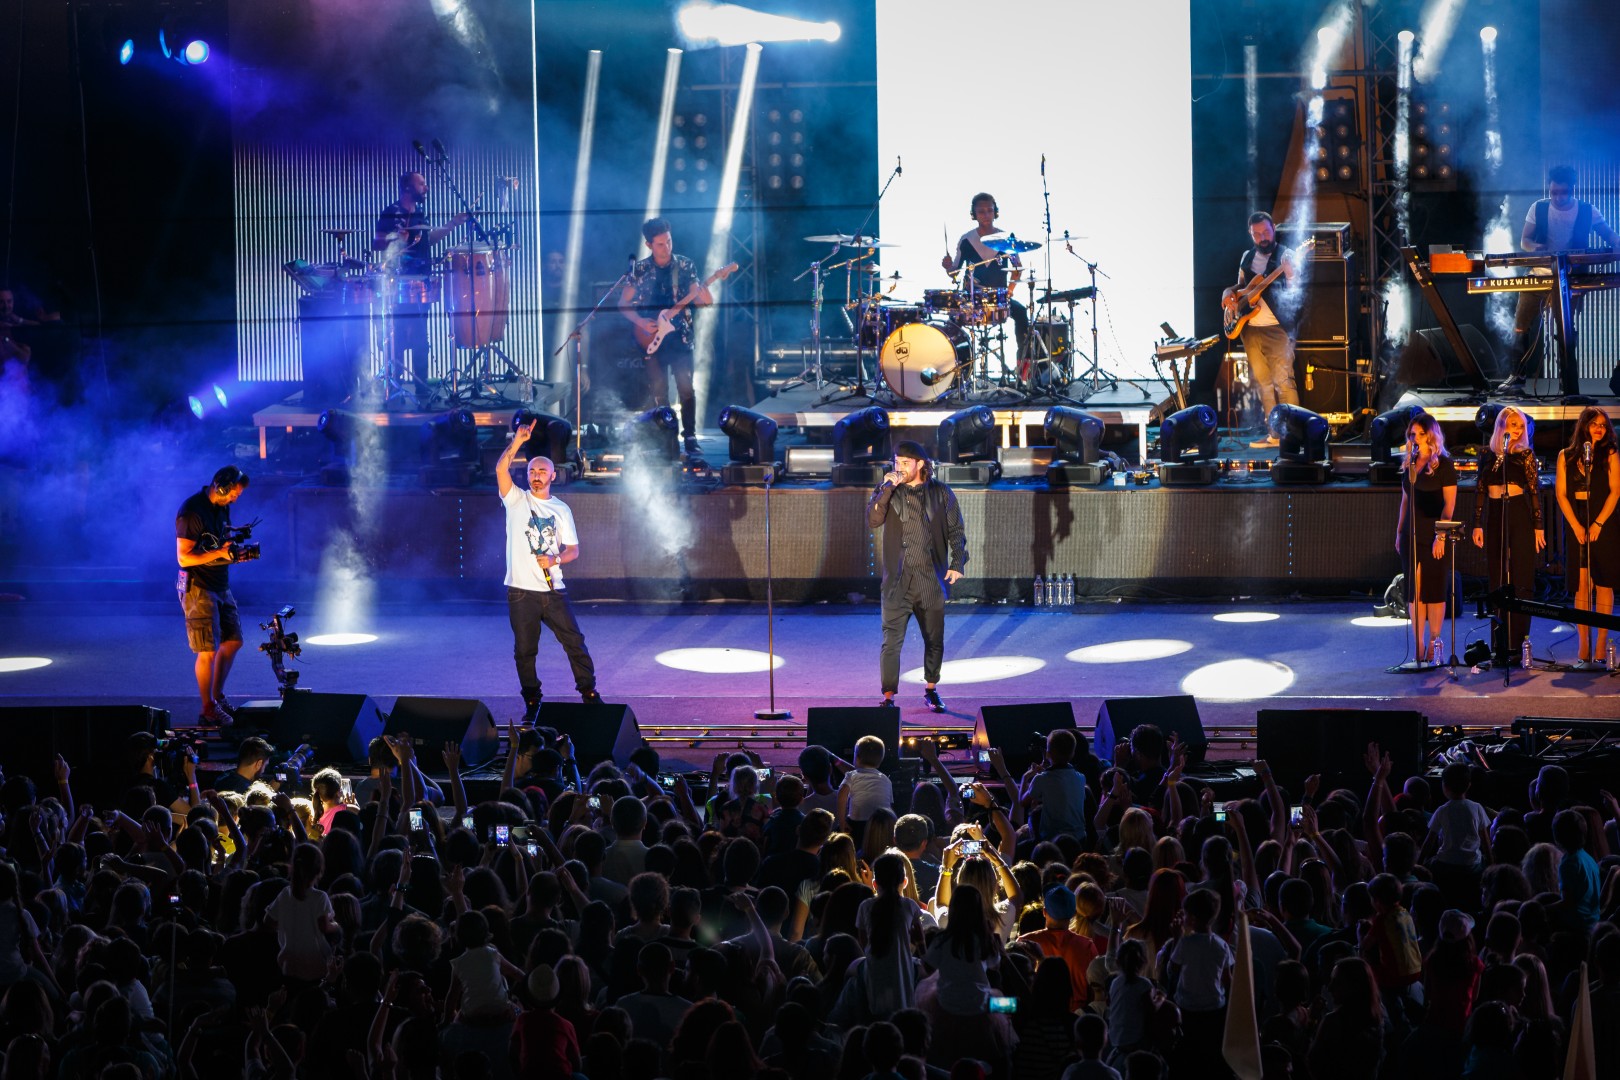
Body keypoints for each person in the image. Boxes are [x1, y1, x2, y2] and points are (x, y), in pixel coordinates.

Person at [497, 420, 600, 720]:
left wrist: (555, 560)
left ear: (553, 476)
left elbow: (573, 550)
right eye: (531, 471)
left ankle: (589, 693)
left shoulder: (561, 510)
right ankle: (532, 701)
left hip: (553, 590)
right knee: (525, 651)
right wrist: (517, 442)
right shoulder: (516, 500)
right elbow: (501, 470)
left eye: (542, 471)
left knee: (574, 642)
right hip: (521, 592)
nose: (536, 476)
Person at [867, 440, 968, 712]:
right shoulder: (887, 491)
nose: (898, 468)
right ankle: (888, 697)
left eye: (904, 463)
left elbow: (957, 531)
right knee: (891, 641)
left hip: (929, 580)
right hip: (896, 583)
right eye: (896, 462)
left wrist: (957, 562)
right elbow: (873, 520)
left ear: (920, 464)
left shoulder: (941, 493)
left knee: (934, 638)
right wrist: (887, 489)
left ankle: (931, 688)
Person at [1503, 165, 1620, 396]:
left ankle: (1567, 379)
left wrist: (1617, 245)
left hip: (1569, 278)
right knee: (1520, 324)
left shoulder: (1587, 210)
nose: (1557, 197)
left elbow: (1609, 235)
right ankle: (1516, 377)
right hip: (1538, 275)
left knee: (1566, 329)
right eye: (1554, 192)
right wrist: (1535, 246)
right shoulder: (1538, 207)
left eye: (1562, 192)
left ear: (1572, 190)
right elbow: (1524, 240)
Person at [619, 217, 714, 455]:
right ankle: (666, 436)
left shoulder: (685, 266)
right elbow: (623, 303)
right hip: (650, 338)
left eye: (669, 242)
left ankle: (690, 436)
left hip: (680, 337)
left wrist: (705, 292)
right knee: (659, 389)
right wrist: (640, 321)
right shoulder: (639, 269)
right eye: (660, 244)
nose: (667, 248)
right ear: (649, 244)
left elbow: (700, 298)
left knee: (686, 388)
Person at [372, 171, 469, 397]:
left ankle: (422, 388)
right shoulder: (391, 212)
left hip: (420, 283)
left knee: (419, 337)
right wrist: (396, 240)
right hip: (398, 284)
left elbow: (428, 240)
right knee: (397, 336)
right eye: (422, 184)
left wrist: (452, 224)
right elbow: (377, 244)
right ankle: (394, 386)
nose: (426, 188)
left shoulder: (421, 215)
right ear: (407, 188)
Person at [175, 465, 251, 726]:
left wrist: (233, 549)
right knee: (207, 650)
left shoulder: (222, 508)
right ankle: (208, 707)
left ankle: (217, 697)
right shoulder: (191, 512)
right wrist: (219, 554)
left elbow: (219, 540)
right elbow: (183, 556)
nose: (235, 498)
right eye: (234, 493)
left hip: (220, 584)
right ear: (221, 487)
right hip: (199, 588)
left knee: (233, 641)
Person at [1471, 406, 1545, 666]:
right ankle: (1499, 645)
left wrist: (1539, 526)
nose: (1516, 430)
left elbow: (1534, 492)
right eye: (1511, 424)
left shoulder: (1525, 454)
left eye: (1520, 426)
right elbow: (1480, 489)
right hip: (1495, 514)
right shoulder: (1488, 455)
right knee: (1497, 575)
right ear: (1501, 426)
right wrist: (1477, 524)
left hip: (1518, 514)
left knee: (1521, 575)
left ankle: (1520, 643)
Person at [1221, 211, 1299, 447]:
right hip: (1249, 328)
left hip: (1277, 328)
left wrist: (1290, 275)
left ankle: (1293, 434)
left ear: (1274, 228)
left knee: (1284, 382)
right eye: (1257, 234)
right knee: (1264, 384)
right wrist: (1228, 293)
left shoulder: (1287, 255)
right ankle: (1275, 435)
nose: (1262, 237)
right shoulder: (1247, 256)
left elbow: (1295, 294)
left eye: (1266, 232)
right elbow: (1242, 287)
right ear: (1250, 234)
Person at [1554, 406, 1619, 668]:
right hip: (1577, 520)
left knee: (1604, 582)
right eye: (1594, 424)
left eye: (1603, 424)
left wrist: (1599, 523)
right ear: (1584, 426)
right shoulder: (1566, 456)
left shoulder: (1610, 453)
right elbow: (1561, 494)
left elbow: (1615, 491)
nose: (1600, 429)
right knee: (1582, 585)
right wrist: (1576, 525)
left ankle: (1601, 645)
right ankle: (1584, 646)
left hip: (1603, 520)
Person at [1394, 412, 1458, 667]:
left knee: (1434, 588)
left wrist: (1440, 536)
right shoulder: (1409, 464)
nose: (1416, 438)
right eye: (1413, 434)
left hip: (1434, 533)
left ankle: (1435, 641)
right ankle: (1418, 643)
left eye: (1421, 434)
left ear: (1431, 435)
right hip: (1412, 532)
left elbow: (1449, 506)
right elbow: (1405, 501)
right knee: (1414, 591)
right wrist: (1399, 532)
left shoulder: (1444, 465)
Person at [939, 192, 1029, 368]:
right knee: (952, 321)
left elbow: (1017, 269)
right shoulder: (966, 239)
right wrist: (948, 267)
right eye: (981, 211)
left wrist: (1010, 291)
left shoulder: (1006, 238)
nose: (986, 215)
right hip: (972, 297)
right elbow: (954, 273)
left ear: (995, 212)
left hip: (1000, 297)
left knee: (1021, 313)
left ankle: (1023, 367)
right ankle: (955, 368)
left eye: (989, 210)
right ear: (974, 214)